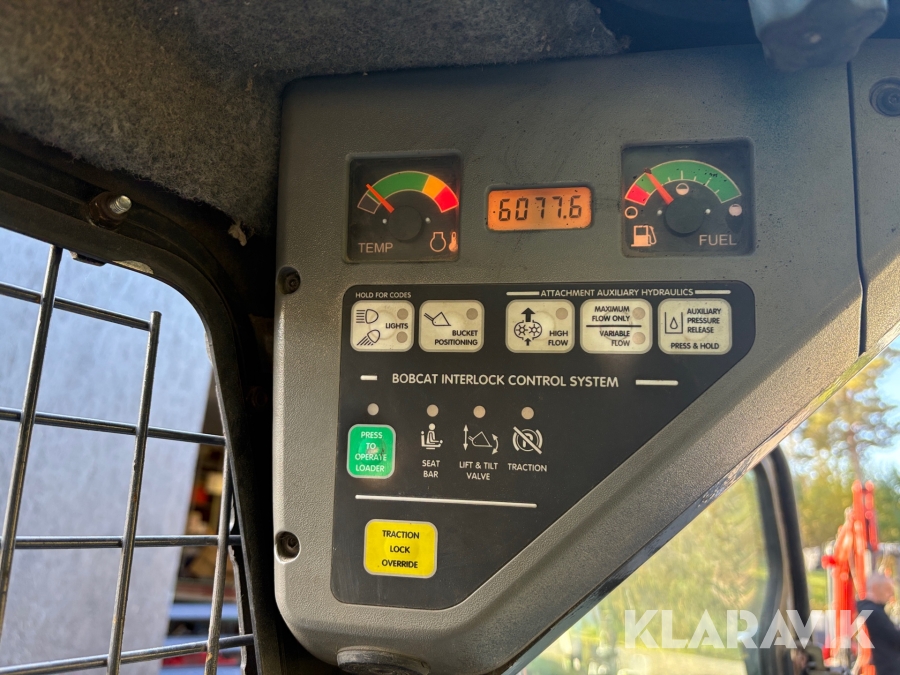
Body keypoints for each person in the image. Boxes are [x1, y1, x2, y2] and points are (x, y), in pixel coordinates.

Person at [858, 573, 900, 674]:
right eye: (888, 589)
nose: (891, 595)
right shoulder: (873, 612)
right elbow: (895, 638)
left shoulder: (864, 608)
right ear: (875, 588)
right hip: (885, 669)